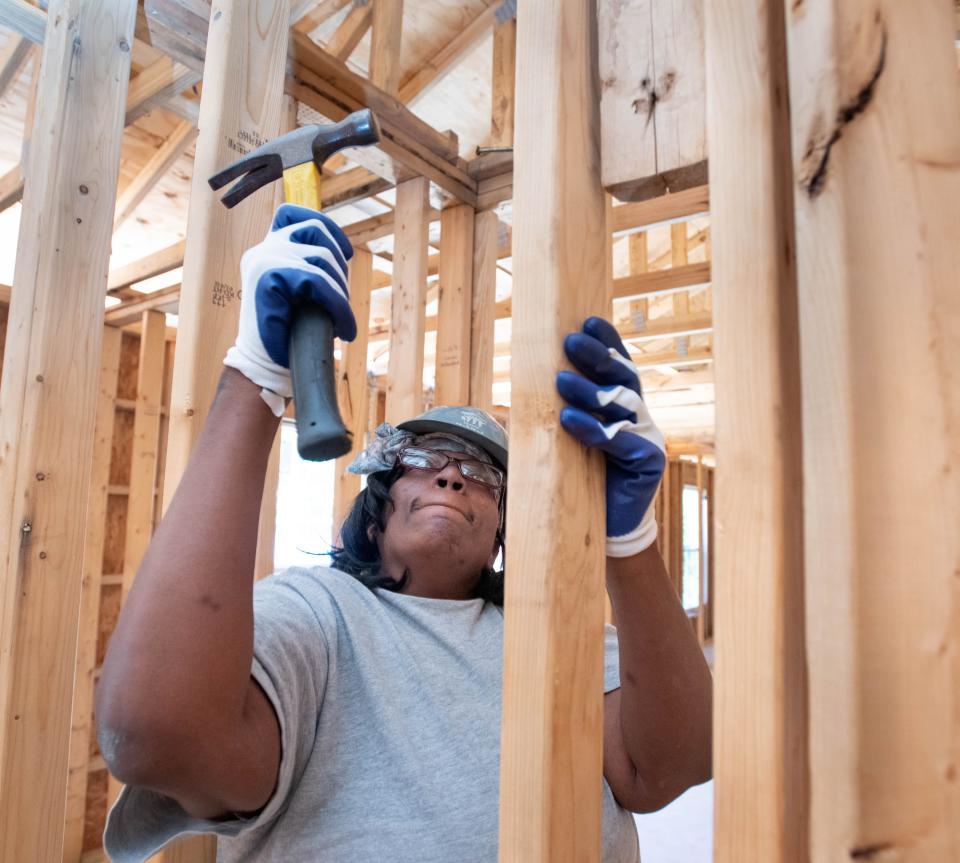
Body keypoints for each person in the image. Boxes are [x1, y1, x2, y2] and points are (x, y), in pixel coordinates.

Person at [96, 205, 712, 862]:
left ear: (502, 530)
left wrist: (629, 538)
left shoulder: (555, 639)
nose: (451, 477)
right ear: (378, 508)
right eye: (424, 460)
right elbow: (155, 734)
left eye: (478, 471)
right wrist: (254, 373)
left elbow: (674, 764)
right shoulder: (317, 613)